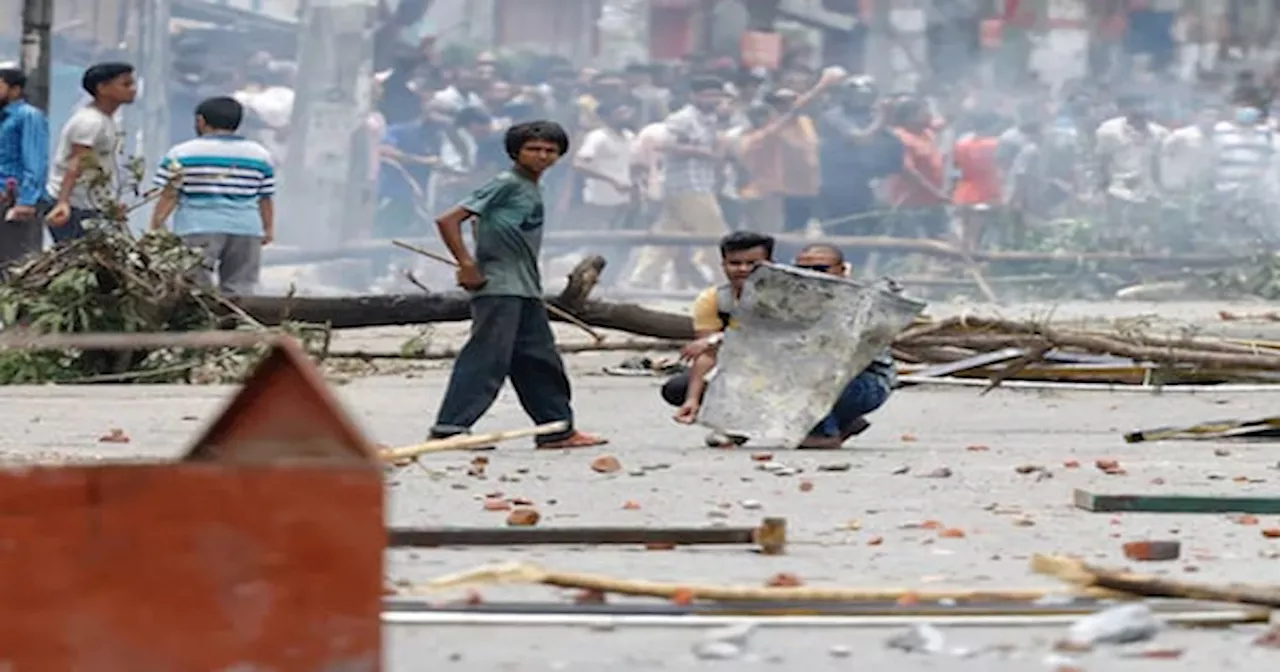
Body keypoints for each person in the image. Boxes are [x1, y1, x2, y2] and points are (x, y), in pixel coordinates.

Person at [427, 120, 608, 450]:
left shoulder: (532, 187)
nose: (542, 156)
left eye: (551, 151)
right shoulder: (506, 183)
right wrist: (468, 265)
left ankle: (556, 428)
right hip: (499, 288)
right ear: (515, 152)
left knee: (538, 359)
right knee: (487, 358)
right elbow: (448, 220)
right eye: (534, 149)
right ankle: (450, 428)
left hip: (524, 288)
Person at [661, 235, 894, 449]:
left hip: (859, 379)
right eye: (804, 269)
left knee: (801, 369)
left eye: (820, 269)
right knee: (686, 386)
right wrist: (693, 398)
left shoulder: (854, 300)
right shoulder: (778, 297)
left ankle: (825, 431)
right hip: (790, 371)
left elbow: (817, 346)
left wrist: (717, 339)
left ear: (842, 271)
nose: (811, 274)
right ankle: (742, 424)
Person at [148, 96, 275, 295]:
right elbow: (265, 197)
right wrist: (267, 228)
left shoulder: (182, 153)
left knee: (194, 288)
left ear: (201, 121)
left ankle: (202, 323)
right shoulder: (260, 155)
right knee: (240, 288)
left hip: (197, 227)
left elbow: (170, 194)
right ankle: (235, 322)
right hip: (246, 229)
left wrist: (156, 225)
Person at [44, 61, 136, 243]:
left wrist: (109, 204)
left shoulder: (107, 120)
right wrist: (63, 202)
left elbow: (102, 166)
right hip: (74, 205)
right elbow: (77, 162)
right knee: (75, 261)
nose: (133, 89)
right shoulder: (90, 122)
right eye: (125, 84)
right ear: (102, 88)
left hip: (89, 204)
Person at [0, 68, 49, 269]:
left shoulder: (28, 116)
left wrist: (26, 201)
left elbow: (35, 161)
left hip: (16, 200)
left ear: (15, 90)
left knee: (16, 262)